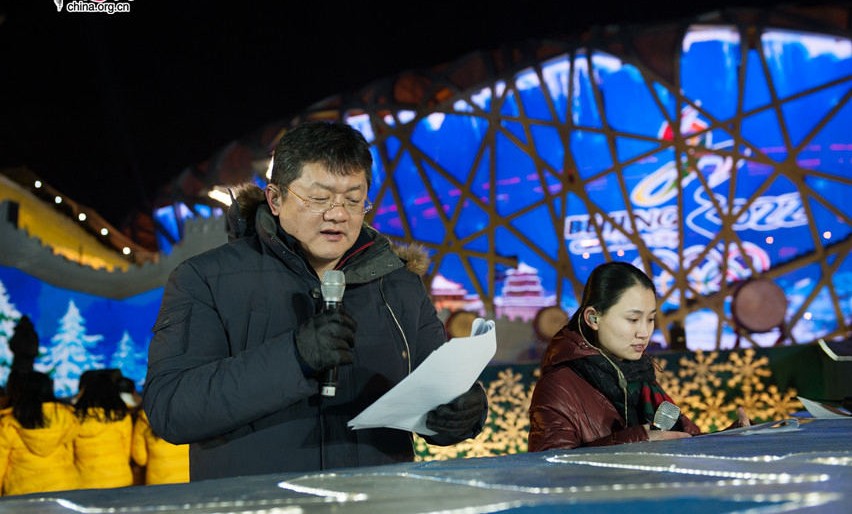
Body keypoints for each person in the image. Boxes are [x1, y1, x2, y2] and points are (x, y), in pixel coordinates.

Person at [143, 120, 486, 481]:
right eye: (319, 198)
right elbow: (171, 410)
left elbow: (437, 394)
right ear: (275, 199)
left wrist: (463, 413)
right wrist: (294, 358)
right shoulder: (205, 279)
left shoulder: (399, 284)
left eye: (354, 200)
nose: (338, 214)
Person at [529, 262, 750, 451]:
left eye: (650, 319)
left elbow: (686, 440)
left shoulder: (641, 376)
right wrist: (637, 441)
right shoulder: (558, 387)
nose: (644, 332)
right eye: (633, 320)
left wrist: (732, 437)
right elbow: (550, 471)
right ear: (593, 318)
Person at [0, 371, 79, 496]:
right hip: (64, 486)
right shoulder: (66, 416)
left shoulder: (8, 423)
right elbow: (71, 452)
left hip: (23, 492)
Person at [73, 369, 134, 488]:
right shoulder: (121, 417)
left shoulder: (75, 418)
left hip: (85, 481)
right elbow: (127, 451)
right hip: (120, 479)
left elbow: (71, 452)